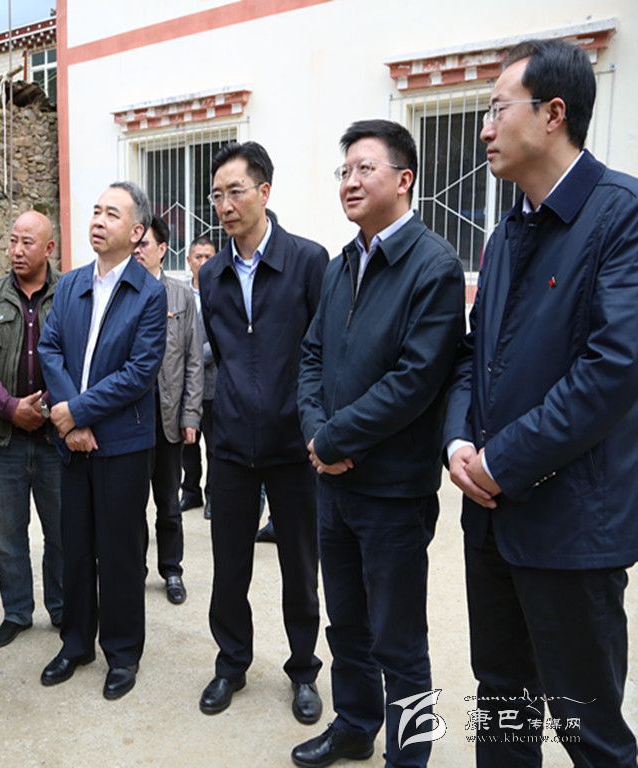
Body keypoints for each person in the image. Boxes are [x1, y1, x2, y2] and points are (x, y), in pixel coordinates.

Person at [444, 39, 638, 767]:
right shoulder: (505, 235)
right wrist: (459, 442)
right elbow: (474, 356)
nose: (484, 129)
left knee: (589, 729)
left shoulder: (621, 216)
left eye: (498, 110)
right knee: (502, 702)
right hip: (490, 520)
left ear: (553, 114)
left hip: (571, 524)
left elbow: (614, 368)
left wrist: (503, 461)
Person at [293, 120, 465, 768]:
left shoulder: (434, 266)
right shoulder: (344, 263)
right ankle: (356, 725)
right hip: (334, 484)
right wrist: (316, 433)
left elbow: (416, 380)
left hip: (393, 492)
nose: (350, 181)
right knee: (347, 624)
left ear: (404, 179)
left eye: (365, 168)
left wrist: (336, 435)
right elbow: (312, 355)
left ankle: (409, 757)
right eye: (344, 171)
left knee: (401, 640)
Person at [197, 141, 327, 721]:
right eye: (216, 196)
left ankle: (304, 670)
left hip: (294, 445)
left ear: (265, 192)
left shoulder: (308, 261)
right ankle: (231, 664)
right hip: (229, 444)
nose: (225, 205)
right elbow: (223, 354)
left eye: (235, 192)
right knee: (229, 567)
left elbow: (322, 351)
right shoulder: (212, 274)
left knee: (300, 568)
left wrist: (315, 425)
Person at [37, 181, 166, 701]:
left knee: (119, 551)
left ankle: (122, 652)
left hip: (123, 445)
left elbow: (139, 371)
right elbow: (50, 349)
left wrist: (78, 411)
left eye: (112, 214)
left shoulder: (149, 292)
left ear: (136, 232)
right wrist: (71, 420)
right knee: (74, 546)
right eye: (95, 211)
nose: (97, 220)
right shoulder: (70, 284)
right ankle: (75, 643)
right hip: (73, 441)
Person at [0, 210, 64, 647]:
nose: (16, 250)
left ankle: (62, 608)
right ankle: (17, 612)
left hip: (53, 439)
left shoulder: (69, 293)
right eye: (12, 241)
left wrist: (44, 407)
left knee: (60, 534)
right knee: (9, 537)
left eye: (27, 242)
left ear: (48, 248)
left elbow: (75, 356)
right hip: (5, 438)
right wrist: (11, 408)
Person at [132, 215, 201, 604]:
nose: (137, 250)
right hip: (131, 418)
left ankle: (171, 570)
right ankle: (135, 570)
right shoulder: (123, 291)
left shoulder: (180, 296)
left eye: (144, 244)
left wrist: (191, 415)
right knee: (131, 502)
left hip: (168, 416)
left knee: (168, 502)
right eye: (135, 244)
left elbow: (193, 359)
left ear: (162, 249)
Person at [179, 236, 217, 520]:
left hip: (214, 383)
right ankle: (190, 491)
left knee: (214, 445)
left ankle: (213, 495)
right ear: (188, 260)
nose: (203, 262)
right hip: (184, 384)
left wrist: (193, 356)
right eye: (198, 257)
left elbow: (222, 337)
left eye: (208, 257)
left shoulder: (222, 291)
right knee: (187, 443)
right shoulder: (179, 294)